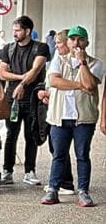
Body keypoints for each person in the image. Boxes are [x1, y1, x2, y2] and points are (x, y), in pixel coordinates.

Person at [40, 26, 103, 208]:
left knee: (82, 155)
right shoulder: (59, 60)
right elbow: (54, 81)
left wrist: (82, 63)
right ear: (68, 42)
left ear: (86, 42)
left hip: (84, 118)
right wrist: (79, 85)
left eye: (80, 39)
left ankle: (83, 191)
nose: (76, 43)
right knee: (58, 155)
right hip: (60, 116)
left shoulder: (96, 63)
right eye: (72, 39)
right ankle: (53, 189)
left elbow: (90, 85)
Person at [0, 15, 49, 185]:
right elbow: (2, 73)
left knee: (31, 135)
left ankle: (30, 171)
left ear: (27, 31)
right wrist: (20, 78)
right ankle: (7, 171)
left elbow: (35, 70)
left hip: (33, 99)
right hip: (12, 99)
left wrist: (22, 85)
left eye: (18, 30)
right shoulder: (8, 49)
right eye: (14, 30)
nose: (15, 33)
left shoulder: (40, 48)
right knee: (11, 135)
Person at [36, 30, 75, 192]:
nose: (56, 46)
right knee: (56, 148)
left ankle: (65, 183)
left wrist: (49, 92)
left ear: (68, 44)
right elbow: (52, 83)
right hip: (54, 108)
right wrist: (46, 93)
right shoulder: (57, 59)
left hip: (64, 112)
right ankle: (63, 181)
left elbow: (60, 84)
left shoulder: (69, 62)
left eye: (59, 43)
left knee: (59, 150)